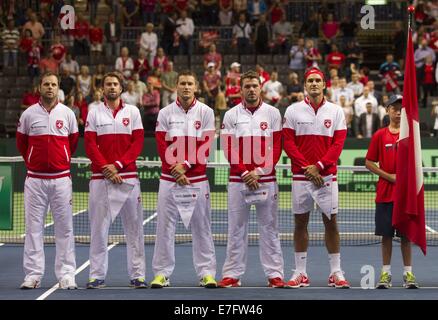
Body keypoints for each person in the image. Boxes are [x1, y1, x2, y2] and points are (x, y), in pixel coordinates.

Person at [283, 68, 350, 289]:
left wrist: (319, 167)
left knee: (331, 223)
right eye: (310, 80)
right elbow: (288, 144)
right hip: (301, 178)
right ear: (305, 84)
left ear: (324, 84)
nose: (313, 84)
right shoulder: (293, 111)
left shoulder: (336, 111)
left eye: (317, 80)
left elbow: (338, 145)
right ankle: (300, 273)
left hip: (327, 177)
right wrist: (307, 168)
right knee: (300, 223)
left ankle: (336, 272)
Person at [218, 70, 285, 288]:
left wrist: (260, 171)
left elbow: (276, 147)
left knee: (270, 227)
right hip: (239, 181)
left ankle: (275, 274)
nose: (251, 89)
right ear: (240, 89)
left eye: (255, 85)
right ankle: (232, 274)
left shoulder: (273, 113)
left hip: (266, 179)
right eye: (247, 86)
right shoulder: (230, 115)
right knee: (236, 227)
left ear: (261, 88)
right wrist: (245, 172)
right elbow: (228, 147)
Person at [152, 70, 217, 288]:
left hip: (196, 179)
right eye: (182, 83)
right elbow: (161, 145)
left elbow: (206, 145)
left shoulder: (206, 112)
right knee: (165, 227)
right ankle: (161, 273)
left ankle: (206, 273)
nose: (186, 87)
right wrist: (174, 169)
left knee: (201, 227)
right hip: (169, 179)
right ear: (177, 86)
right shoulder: (165, 113)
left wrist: (185, 166)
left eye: (190, 83)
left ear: (196, 86)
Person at [16, 71, 79, 290]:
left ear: (58, 88)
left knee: (65, 228)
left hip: (61, 179)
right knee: (33, 228)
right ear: (39, 88)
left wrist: (59, 160)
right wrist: (35, 161)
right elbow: (22, 144)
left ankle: (67, 274)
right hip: (35, 180)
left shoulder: (68, 114)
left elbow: (72, 143)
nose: (50, 88)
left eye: (53, 84)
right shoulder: (28, 115)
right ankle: (33, 274)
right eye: (46, 84)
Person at [84, 72, 146, 289]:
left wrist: (118, 166)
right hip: (101, 179)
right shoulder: (93, 113)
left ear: (122, 88)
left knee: (135, 230)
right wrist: (106, 169)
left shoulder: (133, 112)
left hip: (128, 179)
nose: (112, 87)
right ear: (102, 88)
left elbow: (137, 144)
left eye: (115, 84)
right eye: (108, 84)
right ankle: (96, 275)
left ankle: (137, 275)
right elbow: (90, 145)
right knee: (98, 230)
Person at [365, 94, 419, 289]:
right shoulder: (380, 135)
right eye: (394, 108)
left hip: (405, 197)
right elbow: (369, 162)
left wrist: (404, 179)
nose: (398, 112)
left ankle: (408, 274)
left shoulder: (411, 136)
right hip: (385, 195)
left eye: (401, 109)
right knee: (386, 236)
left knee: (406, 237)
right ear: (387, 110)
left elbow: (417, 165)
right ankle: (385, 274)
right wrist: (389, 176)